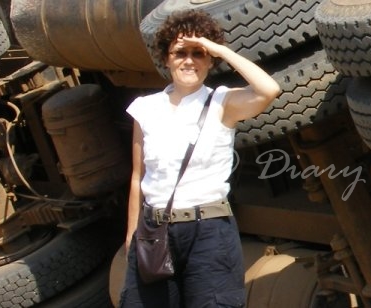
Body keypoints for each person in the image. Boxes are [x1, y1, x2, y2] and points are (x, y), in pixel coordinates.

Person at [120, 9, 281, 307]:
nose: (189, 61)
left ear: (210, 60)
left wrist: (219, 48)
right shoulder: (145, 108)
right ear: (166, 58)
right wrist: (131, 236)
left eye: (199, 53)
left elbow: (269, 89)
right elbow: (137, 177)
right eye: (180, 52)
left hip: (209, 233)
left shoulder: (223, 102)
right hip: (155, 231)